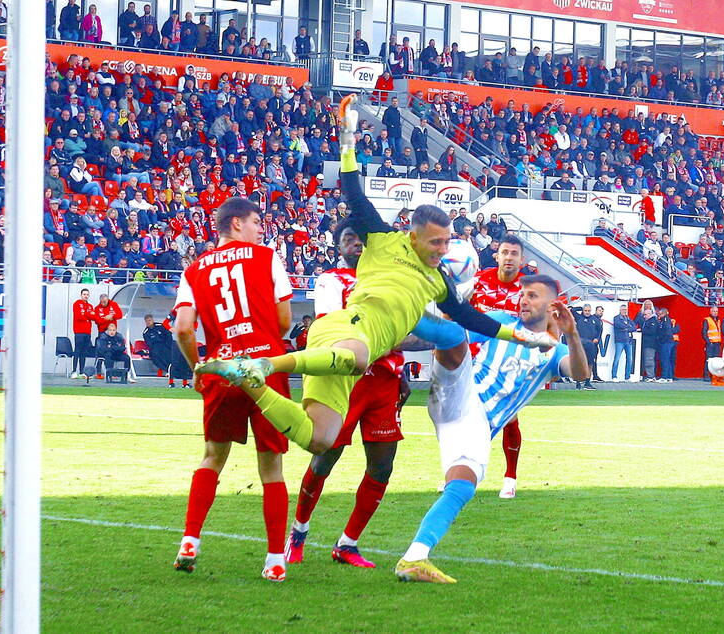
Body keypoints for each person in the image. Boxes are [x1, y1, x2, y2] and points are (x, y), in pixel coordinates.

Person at [194, 95, 556, 457]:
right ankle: (263, 365)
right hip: (344, 331)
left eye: (446, 242)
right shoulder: (383, 239)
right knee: (359, 357)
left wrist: (522, 337)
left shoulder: (439, 279)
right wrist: (347, 135)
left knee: (319, 439)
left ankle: (250, 381)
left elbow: (470, 318)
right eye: (435, 242)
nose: (442, 250)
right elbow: (352, 190)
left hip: (345, 354)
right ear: (413, 236)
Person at [395, 275, 589, 583]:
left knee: (462, 485)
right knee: (454, 335)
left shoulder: (555, 351)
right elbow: (444, 337)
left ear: (553, 306)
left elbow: (580, 373)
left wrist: (573, 335)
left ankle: (415, 557)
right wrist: (392, 339)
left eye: (533, 295)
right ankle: (401, 303)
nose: (524, 299)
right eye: (523, 294)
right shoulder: (501, 321)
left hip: (473, 425)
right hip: (464, 394)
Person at [172, 198, 294, 582]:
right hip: (264, 367)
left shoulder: (193, 270)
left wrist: (197, 369)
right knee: (271, 467)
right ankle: (275, 560)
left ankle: (190, 540)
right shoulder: (266, 256)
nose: (262, 228)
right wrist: (262, 337)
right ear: (237, 223)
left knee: (212, 457)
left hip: (222, 369)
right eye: (257, 221)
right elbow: (285, 320)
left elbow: (182, 328)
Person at [285, 222, 408, 568]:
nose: (355, 243)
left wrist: (401, 370)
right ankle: (298, 533)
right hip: (346, 380)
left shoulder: (387, 279)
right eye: (347, 239)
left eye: (360, 239)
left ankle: (348, 544)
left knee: (382, 466)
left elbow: (403, 329)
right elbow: (334, 330)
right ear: (339, 247)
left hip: (384, 381)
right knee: (325, 457)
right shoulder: (331, 280)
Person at [469, 234, 526, 499]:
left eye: (514, 253)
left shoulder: (529, 288)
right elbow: (460, 314)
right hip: (473, 361)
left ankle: (510, 478)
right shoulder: (479, 280)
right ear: (497, 255)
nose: (509, 257)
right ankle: (463, 474)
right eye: (505, 252)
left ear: (521, 259)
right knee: (466, 419)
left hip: (508, 362)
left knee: (508, 418)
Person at [141, 314, 188, 387]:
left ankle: (184, 381)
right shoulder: (146, 332)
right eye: (146, 321)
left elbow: (168, 335)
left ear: (152, 320)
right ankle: (169, 377)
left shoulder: (160, 326)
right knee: (157, 356)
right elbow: (150, 344)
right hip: (158, 350)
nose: (148, 322)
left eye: (149, 320)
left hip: (168, 346)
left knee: (178, 359)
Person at [70, 288, 94, 379]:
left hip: (87, 331)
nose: (86, 296)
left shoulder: (90, 306)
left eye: (87, 294)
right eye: (84, 294)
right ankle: (74, 371)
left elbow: (92, 316)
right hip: (79, 331)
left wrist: (88, 316)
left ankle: (81, 371)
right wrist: (88, 316)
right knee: (77, 351)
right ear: (81, 295)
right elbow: (79, 316)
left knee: (84, 352)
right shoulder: (77, 304)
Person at [574, 303, 599, 389]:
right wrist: (580, 308)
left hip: (590, 345)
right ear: (583, 311)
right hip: (580, 344)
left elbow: (599, 330)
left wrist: (597, 338)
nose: (587, 312)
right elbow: (572, 310)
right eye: (585, 310)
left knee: (590, 364)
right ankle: (578, 383)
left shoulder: (594, 319)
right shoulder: (579, 317)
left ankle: (587, 383)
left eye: (589, 310)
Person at [611, 304, 637, 382]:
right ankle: (614, 376)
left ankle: (627, 377)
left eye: (625, 310)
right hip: (620, 341)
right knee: (617, 358)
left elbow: (634, 327)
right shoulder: (616, 318)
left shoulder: (628, 319)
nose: (624, 311)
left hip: (628, 341)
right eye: (623, 310)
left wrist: (627, 328)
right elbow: (619, 325)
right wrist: (628, 327)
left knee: (630, 359)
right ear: (620, 310)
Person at [635, 300, 659, 382]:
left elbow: (652, 331)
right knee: (645, 359)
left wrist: (642, 330)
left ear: (650, 314)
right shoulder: (646, 320)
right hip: (645, 343)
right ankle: (645, 375)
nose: (644, 316)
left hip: (650, 343)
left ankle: (651, 376)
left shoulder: (653, 321)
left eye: (645, 315)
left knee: (649, 359)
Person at [657, 307, 679, 382]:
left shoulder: (665, 320)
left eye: (660, 314)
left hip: (666, 342)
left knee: (665, 359)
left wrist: (661, 338)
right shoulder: (666, 320)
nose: (659, 315)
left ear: (664, 313)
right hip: (669, 342)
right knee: (668, 360)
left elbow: (667, 332)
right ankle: (669, 377)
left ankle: (664, 377)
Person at [701, 305, 722, 382]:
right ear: (710, 311)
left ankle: (714, 376)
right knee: (708, 360)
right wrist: (708, 342)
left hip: (717, 343)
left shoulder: (718, 320)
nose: (715, 313)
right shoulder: (707, 320)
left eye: (716, 311)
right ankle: (706, 376)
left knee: (716, 361)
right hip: (710, 344)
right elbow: (704, 332)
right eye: (714, 311)